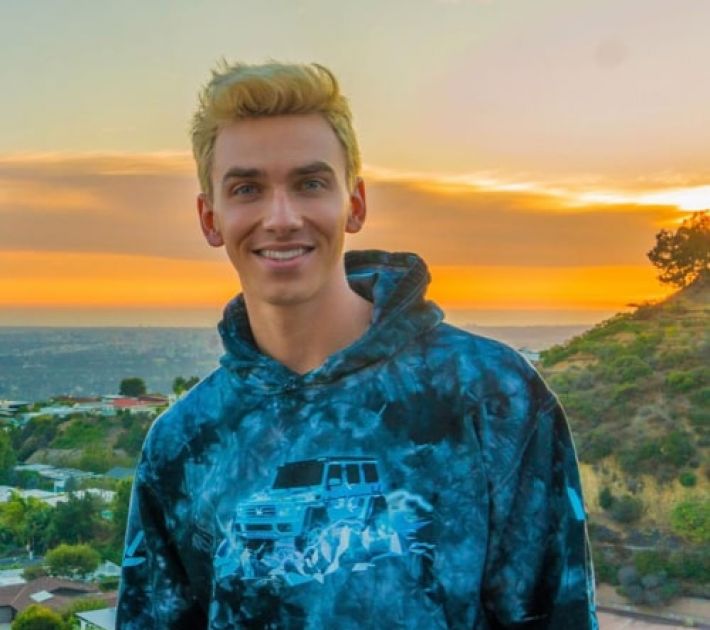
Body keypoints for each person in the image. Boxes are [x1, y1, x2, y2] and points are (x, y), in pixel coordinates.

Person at [117, 60, 598, 629]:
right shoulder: (184, 442)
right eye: (247, 189)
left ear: (356, 203)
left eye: (310, 183)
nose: (281, 218)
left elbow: (557, 614)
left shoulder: (490, 394)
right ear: (210, 218)